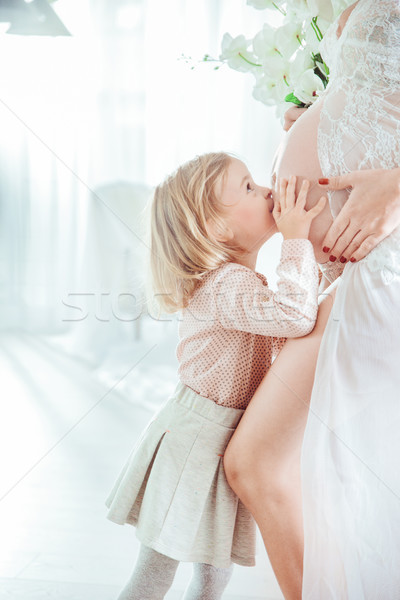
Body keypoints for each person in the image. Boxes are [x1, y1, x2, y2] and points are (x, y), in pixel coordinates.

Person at [224, 1, 400, 599]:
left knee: (259, 464)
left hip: (377, 271)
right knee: (312, 473)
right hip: (349, 274)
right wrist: (315, 116)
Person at [104, 151, 327, 600]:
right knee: (156, 568)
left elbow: (287, 329)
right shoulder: (221, 285)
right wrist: (296, 240)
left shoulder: (244, 283)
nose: (266, 190)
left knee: (214, 573)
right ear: (216, 229)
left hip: (227, 437)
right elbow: (294, 319)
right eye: (247, 187)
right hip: (195, 439)